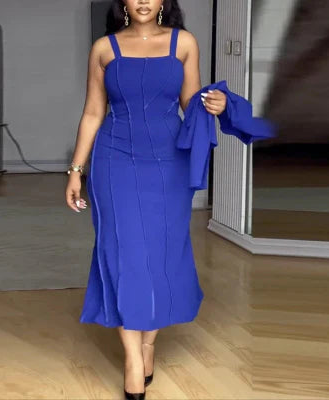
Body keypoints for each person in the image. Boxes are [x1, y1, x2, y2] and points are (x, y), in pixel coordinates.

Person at [65, 1, 226, 398]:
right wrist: (76, 170)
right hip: (115, 159)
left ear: (163, 2)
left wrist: (215, 107)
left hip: (170, 161)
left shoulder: (184, 43)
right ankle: (133, 359)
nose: (142, 0)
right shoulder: (104, 48)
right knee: (122, 252)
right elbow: (93, 112)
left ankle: (149, 343)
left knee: (161, 253)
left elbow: (191, 104)